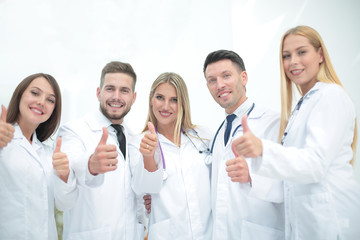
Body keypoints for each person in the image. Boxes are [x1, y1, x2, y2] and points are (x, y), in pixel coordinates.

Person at [233, 25, 360, 239]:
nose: (293, 61)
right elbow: (292, 180)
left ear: (320, 55)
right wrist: (252, 176)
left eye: (301, 52)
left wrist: (263, 149)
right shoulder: (302, 107)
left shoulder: (330, 96)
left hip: (333, 221)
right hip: (309, 224)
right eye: (286, 56)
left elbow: (315, 163)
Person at [52, 61, 147, 240]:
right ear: (98, 92)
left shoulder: (135, 139)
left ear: (133, 98)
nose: (116, 97)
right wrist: (90, 165)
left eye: (124, 91)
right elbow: (64, 197)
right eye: (110, 89)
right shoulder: (73, 131)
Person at [203, 50, 285, 240]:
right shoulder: (219, 132)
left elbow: (293, 183)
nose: (220, 85)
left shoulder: (273, 123)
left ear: (244, 77)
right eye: (212, 80)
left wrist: (252, 176)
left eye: (226, 76)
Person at [130, 72, 213, 239]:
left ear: (183, 103)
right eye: (160, 97)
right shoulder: (138, 143)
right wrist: (149, 156)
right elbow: (142, 190)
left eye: (174, 100)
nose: (166, 106)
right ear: (151, 99)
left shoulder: (204, 136)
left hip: (208, 232)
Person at [0, 73, 63, 239]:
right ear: (20, 95)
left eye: (50, 100)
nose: (42, 102)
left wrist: (67, 176)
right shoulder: (3, 142)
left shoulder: (49, 154)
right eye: (35, 93)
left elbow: (64, 202)